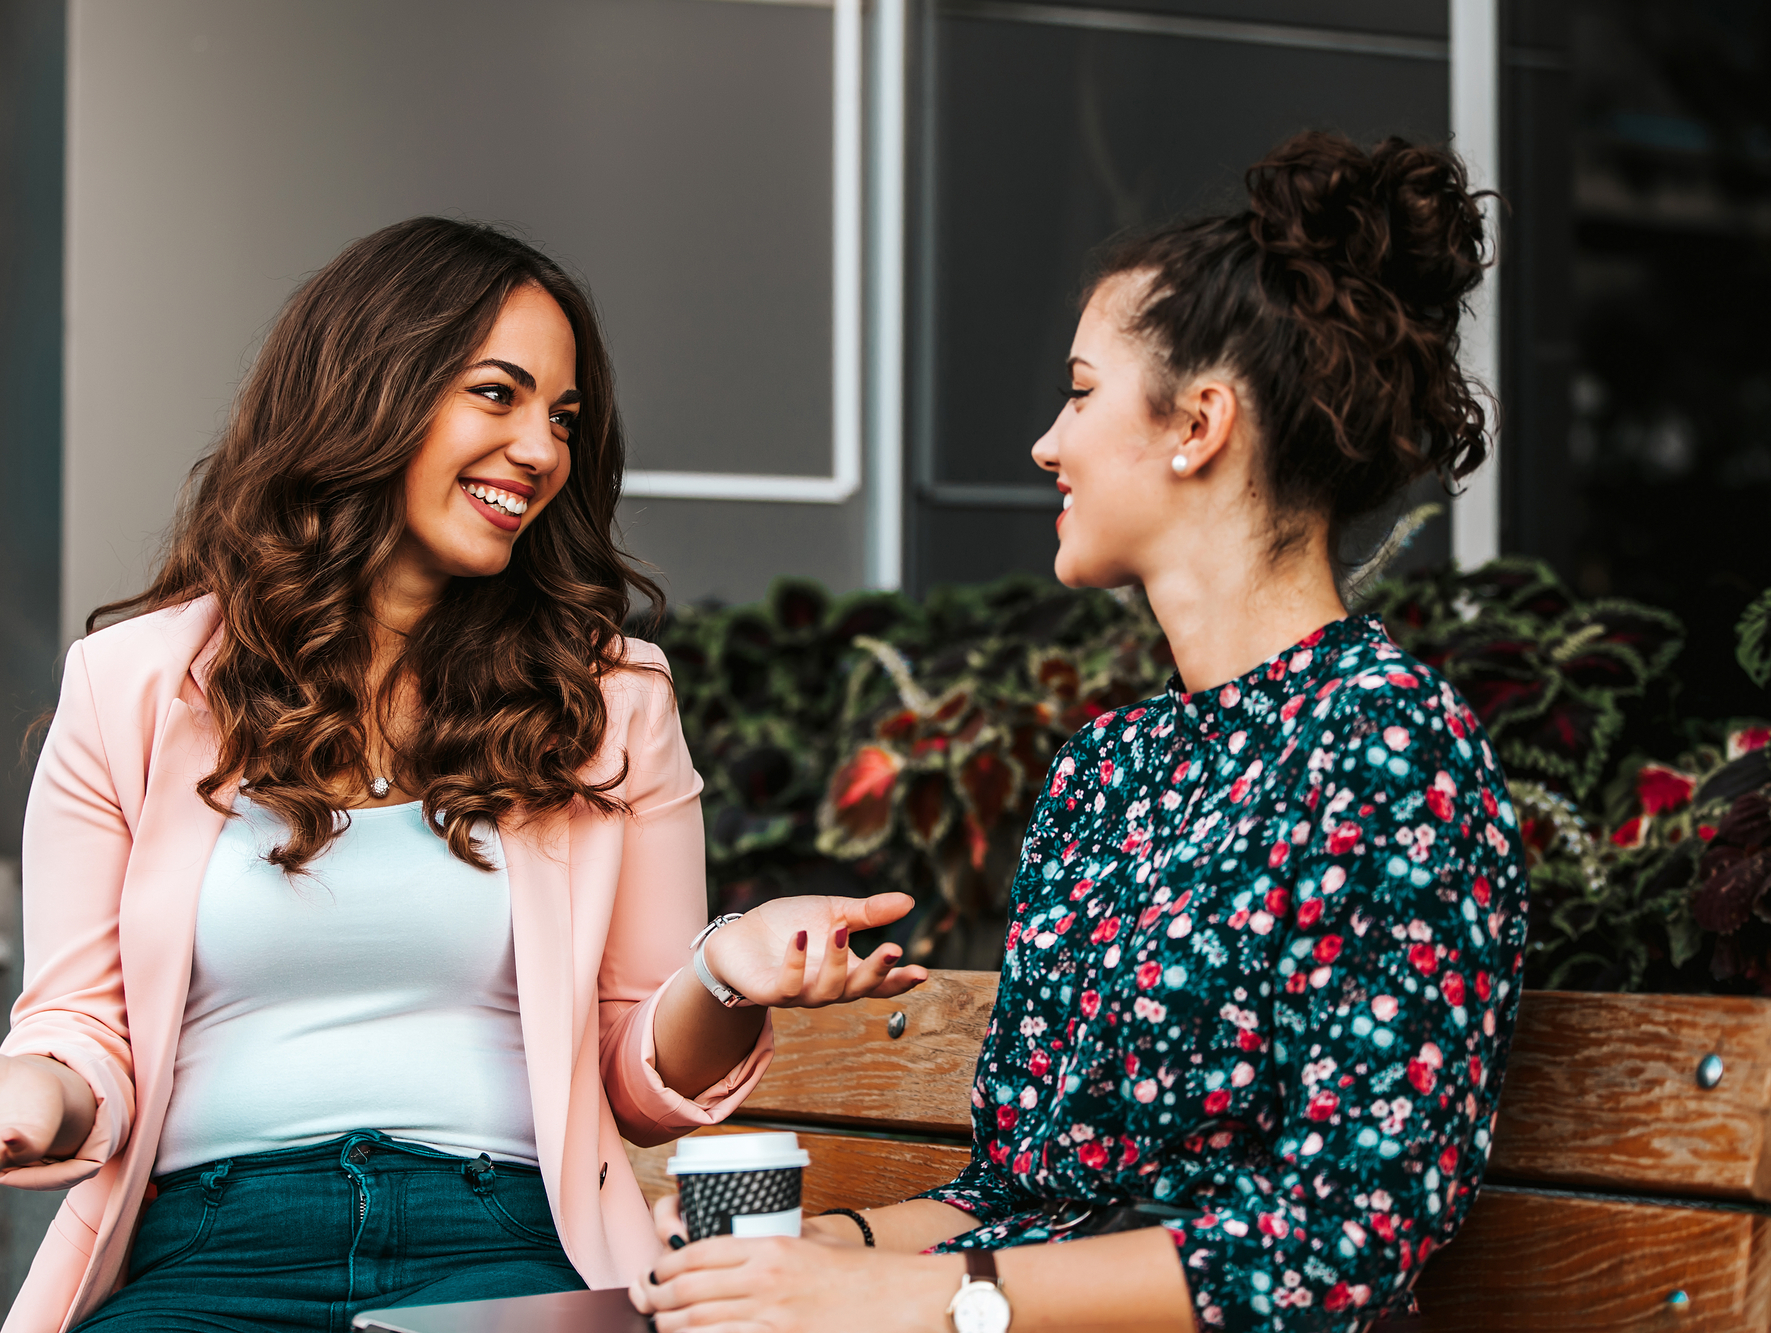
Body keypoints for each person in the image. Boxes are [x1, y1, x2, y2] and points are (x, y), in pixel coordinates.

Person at [0, 218, 927, 1333]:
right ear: (369, 392)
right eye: (497, 395)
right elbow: (83, 1029)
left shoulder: (609, 698)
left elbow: (633, 1083)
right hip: (208, 1250)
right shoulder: (132, 685)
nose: (542, 450)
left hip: (499, 1242)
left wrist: (723, 974)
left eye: (562, 418)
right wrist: (38, 1093)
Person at [638, 132, 1530, 1333]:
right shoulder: (1109, 771)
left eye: (1078, 390)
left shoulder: (1387, 751)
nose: (1044, 444)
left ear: (1197, 424)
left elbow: (1341, 1240)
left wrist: (911, 1302)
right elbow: (1020, 1196)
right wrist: (790, 1257)